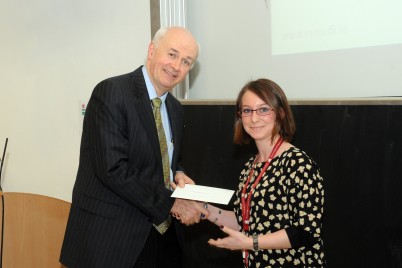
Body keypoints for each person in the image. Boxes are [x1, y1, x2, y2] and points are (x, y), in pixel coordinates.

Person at [60, 26, 209, 268]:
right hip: (111, 241)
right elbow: (113, 169)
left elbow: (162, 159)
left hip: (162, 240)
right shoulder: (111, 93)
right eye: (172, 54)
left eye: (186, 61)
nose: (176, 66)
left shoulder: (175, 108)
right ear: (152, 50)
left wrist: (178, 173)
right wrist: (174, 203)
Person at [206, 78, 325, 267]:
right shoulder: (250, 167)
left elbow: (306, 232)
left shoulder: (298, 163)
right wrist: (204, 210)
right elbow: (244, 222)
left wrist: (249, 243)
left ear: (280, 113)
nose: (254, 118)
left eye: (263, 109)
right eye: (247, 110)